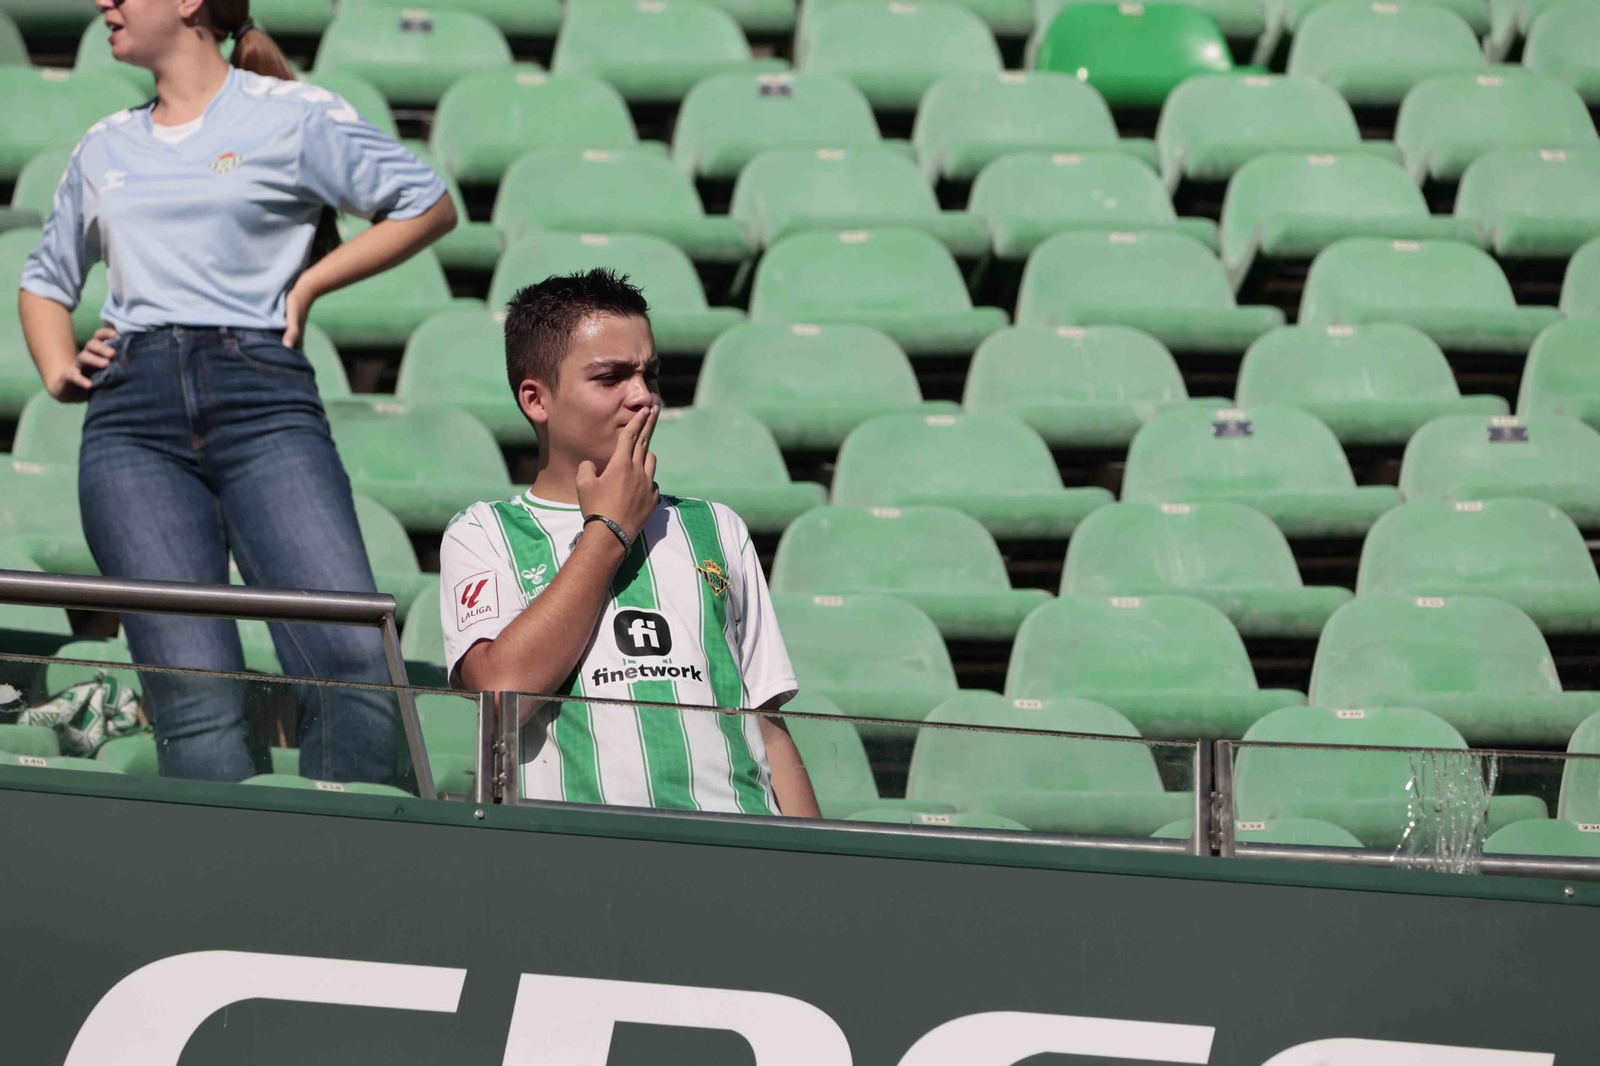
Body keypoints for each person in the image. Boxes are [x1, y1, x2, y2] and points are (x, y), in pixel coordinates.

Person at [16, 0, 457, 784]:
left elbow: (428, 202)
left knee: (353, 663)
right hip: (129, 425)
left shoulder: (294, 113)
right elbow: (45, 281)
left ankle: (345, 856)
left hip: (263, 401)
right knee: (196, 695)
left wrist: (310, 283)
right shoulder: (103, 143)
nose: (103, 3)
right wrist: (60, 370)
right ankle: (222, 867)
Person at [439, 270, 820, 817]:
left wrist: (814, 856)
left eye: (650, 374)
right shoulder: (483, 532)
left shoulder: (717, 526)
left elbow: (767, 727)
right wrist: (609, 531)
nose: (643, 397)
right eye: (611, 377)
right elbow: (500, 695)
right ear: (536, 399)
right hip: (580, 849)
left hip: (740, 845)